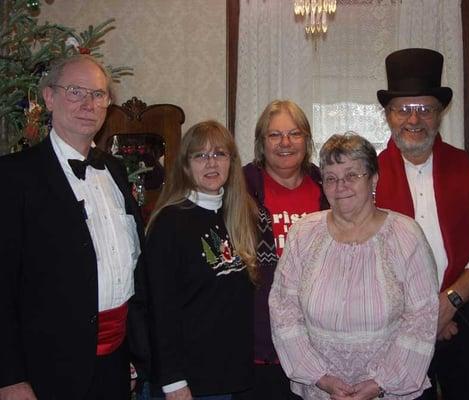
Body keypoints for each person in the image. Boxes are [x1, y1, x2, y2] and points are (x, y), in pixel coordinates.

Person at [0, 54, 149, 400]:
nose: (88, 104)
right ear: (49, 98)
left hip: (115, 363)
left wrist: (133, 354)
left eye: (98, 95)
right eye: (75, 91)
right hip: (44, 371)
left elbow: (129, 262)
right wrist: (9, 377)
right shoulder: (14, 176)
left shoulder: (114, 170)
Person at [375, 48, 469, 400]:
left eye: (425, 109)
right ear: (388, 115)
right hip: (394, 330)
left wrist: (448, 303)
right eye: (404, 108)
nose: (414, 120)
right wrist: (420, 318)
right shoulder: (367, 176)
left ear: (439, 115)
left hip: (463, 321)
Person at [269, 132, 439, 400]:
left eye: (351, 176)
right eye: (331, 178)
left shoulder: (406, 235)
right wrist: (319, 377)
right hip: (320, 391)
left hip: (389, 392)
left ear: (373, 178)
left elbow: (422, 317)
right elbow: (284, 310)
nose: (341, 186)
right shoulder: (303, 234)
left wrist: (380, 382)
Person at [144, 120, 258, 400]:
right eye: (200, 155)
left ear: (232, 162)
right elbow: (159, 310)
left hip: (230, 379)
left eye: (219, 154)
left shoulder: (238, 217)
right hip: (187, 384)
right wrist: (173, 382)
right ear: (185, 165)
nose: (211, 163)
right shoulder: (169, 223)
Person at [239, 100, 329, 400]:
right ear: (261, 143)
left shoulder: (328, 187)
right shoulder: (239, 188)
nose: (286, 143)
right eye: (275, 135)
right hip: (260, 348)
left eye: (295, 133)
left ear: (307, 140)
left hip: (320, 347)